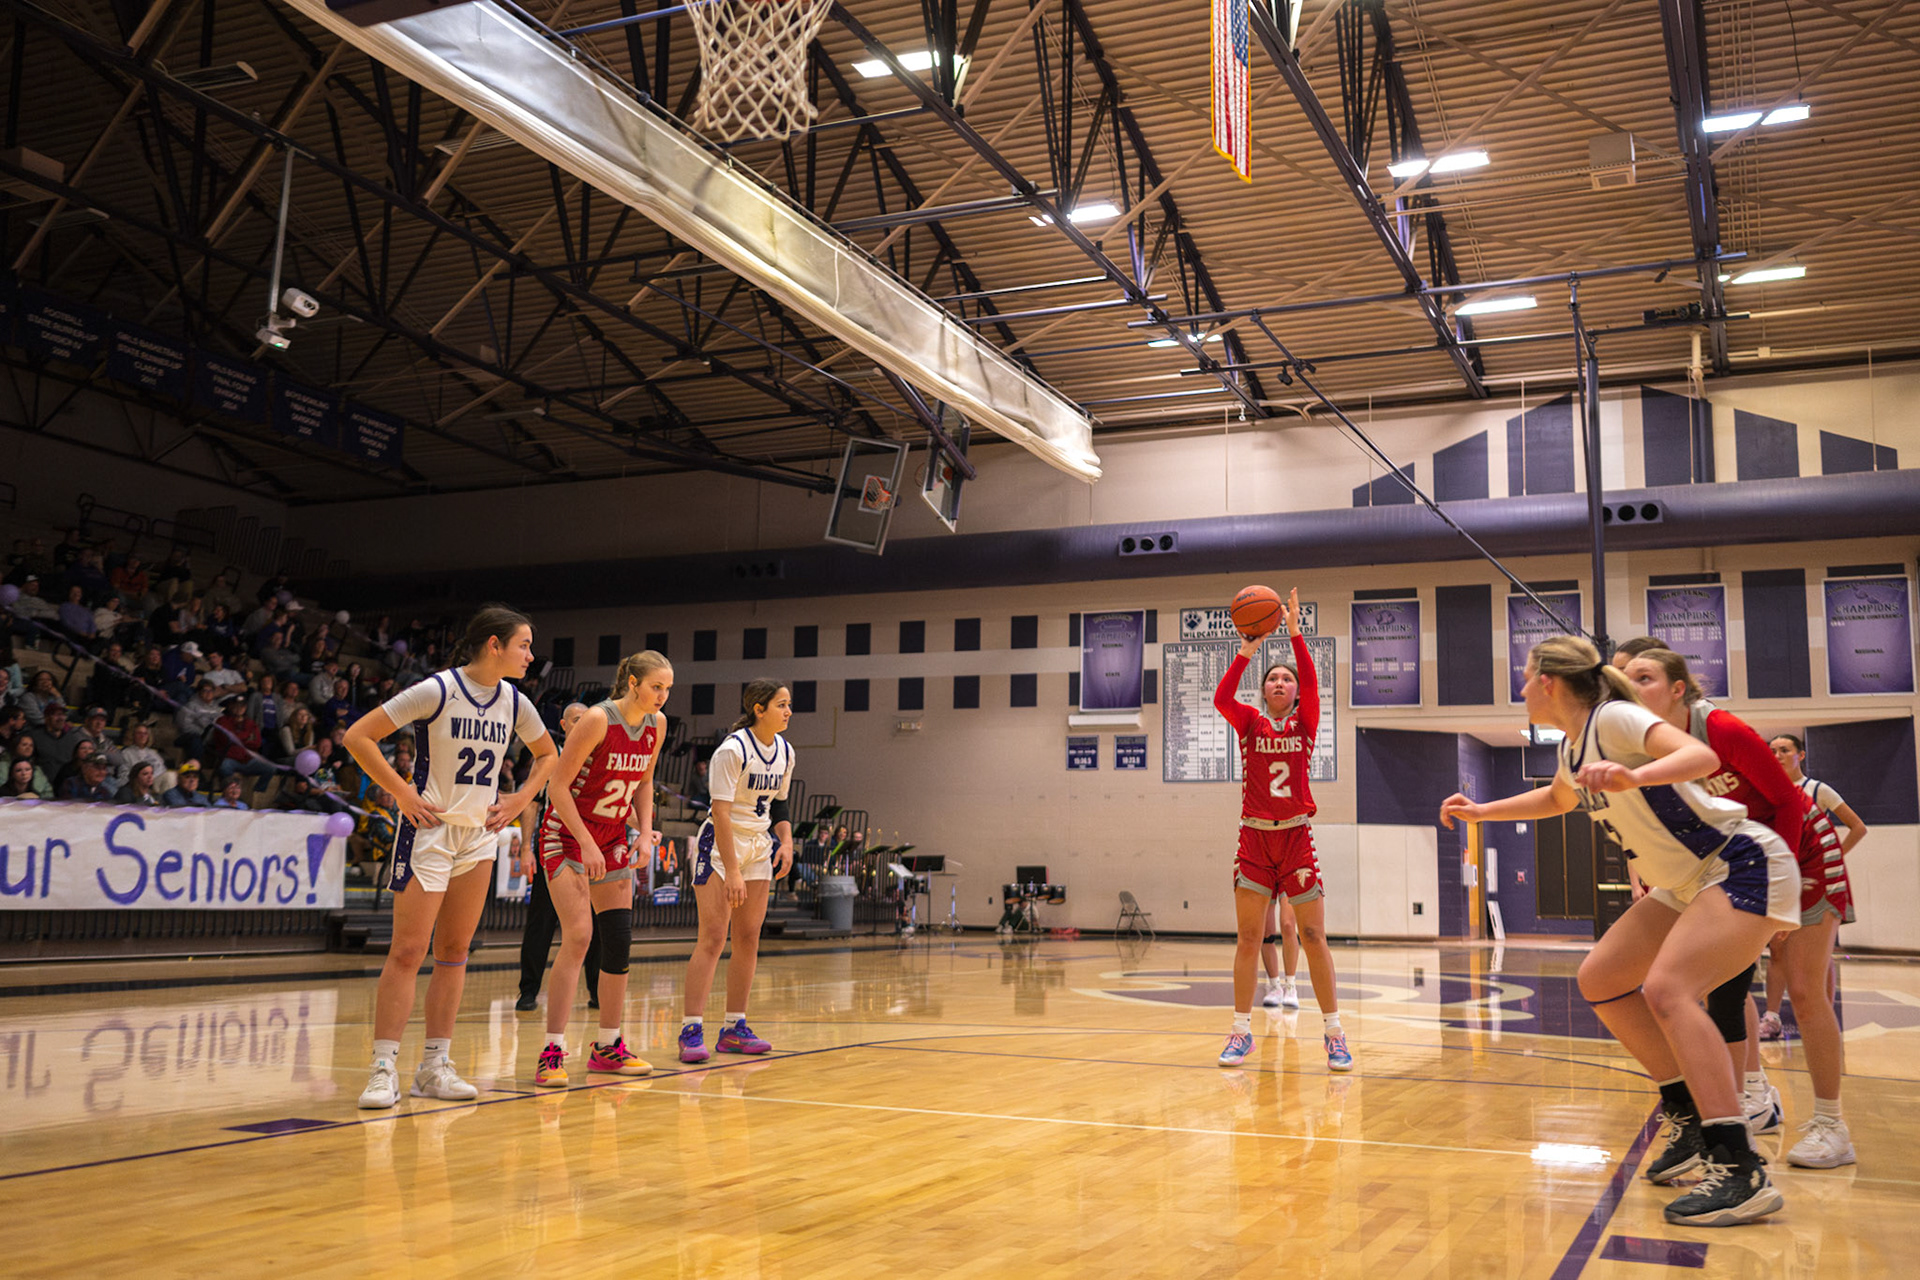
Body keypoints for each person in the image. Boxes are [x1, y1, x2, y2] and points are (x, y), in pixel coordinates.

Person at [1440, 635, 1795, 1227]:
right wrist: (1482, 812)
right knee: (1601, 978)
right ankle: (1686, 1112)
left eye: (1525, 679)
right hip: (1685, 882)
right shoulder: (1572, 747)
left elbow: (1701, 758)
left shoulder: (1615, 718)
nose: (1521, 690)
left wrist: (1636, 776)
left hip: (1738, 862)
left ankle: (1739, 1165)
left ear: (1548, 682)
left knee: (1669, 990)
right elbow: (1556, 799)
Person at [342, 605, 557, 1110]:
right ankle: (382, 1068)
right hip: (429, 833)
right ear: (494, 645)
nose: (530, 655)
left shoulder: (515, 701)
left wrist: (520, 799)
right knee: (407, 951)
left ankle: (434, 1066)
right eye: (524, 645)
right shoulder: (438, 689)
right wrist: (402, 793)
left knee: (455, 951)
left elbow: (549, 754)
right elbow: (358, 737)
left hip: (478, 836)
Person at [1618, 647, 1802, 1139]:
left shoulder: (1722, 730)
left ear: (1677, 687)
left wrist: (1784, 896)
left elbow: (1787, 801)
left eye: (1642, 676)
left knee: (1730, 993)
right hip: (1708, 867)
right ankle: (1748, 1097)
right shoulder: (1639, 742)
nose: (1629, 687)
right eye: (1623, 677)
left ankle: (1745, 1109)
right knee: (1708, 991)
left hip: (1766, 858)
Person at [1210, 588, 1347, 1071]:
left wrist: (1293, 633)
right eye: (1273, 678)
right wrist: (1248, 648)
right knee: (1249, 938)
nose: (1281, 682)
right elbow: (1221, 698)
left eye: (1287, 678)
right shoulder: (1249, 723)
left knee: (1312, 934)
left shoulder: (1305, 723)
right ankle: (1240, 1032)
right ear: (1264, 690)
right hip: (1253, 838)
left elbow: (1312, 679)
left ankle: (1334, 1034)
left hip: (1295, 837)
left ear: (1295, 691)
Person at [531, 652, 672, 1086]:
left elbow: (644, 782)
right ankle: (552, 1051)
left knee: (618, 942)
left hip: (611, 837)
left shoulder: (657, 725)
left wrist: (644, 832)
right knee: (578, 936)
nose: (662, 696)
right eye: (656, 687)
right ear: (632, 683)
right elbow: (557, 787)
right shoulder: (597, 719)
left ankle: (608, 1046)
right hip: (566, 834)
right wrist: (587, 843)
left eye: (667, 689)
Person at [678, 679, 795, 1064]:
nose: (788, 711)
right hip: (720, 845)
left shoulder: (785, 751)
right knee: (713, 938)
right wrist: (732, 870)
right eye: (781, 704)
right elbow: (721, 812)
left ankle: (734, 1027)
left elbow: (780, 806)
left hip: (758, 845)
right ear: (758, 709)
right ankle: (691, 1029)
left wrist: (786, 842)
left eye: (788, 704)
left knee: (748, 937)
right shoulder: (732, 750)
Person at [1764, 732, 1865, 1170]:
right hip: (1782, 870)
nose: (1777, 755)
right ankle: (1753, 1092)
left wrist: (1836, 856)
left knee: (1808, 989)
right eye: (1772, 750)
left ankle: (1831, 1123)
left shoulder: (1815, 790)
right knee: (1784, 971)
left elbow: (1857, 827)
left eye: (1784, 749)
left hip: (1812, 872)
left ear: (1800, 755)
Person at [516, 702, 593, 1012]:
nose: (582, 725)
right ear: (564, 725)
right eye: (577, 720)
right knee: (541, 922)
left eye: (587, 720)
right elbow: (531, 803)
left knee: (594, 924)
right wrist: (525, 848)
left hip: (591, 849)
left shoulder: (597, 758)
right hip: (554, 846)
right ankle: (528, 990)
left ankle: (597, 993)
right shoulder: (550, 758)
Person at [1260, 898, 1301, 1009]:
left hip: (1289, 885)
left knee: (1288, 924)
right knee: (1267, 932)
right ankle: (1275, 987)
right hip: (1268, 886)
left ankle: (1291, 987)